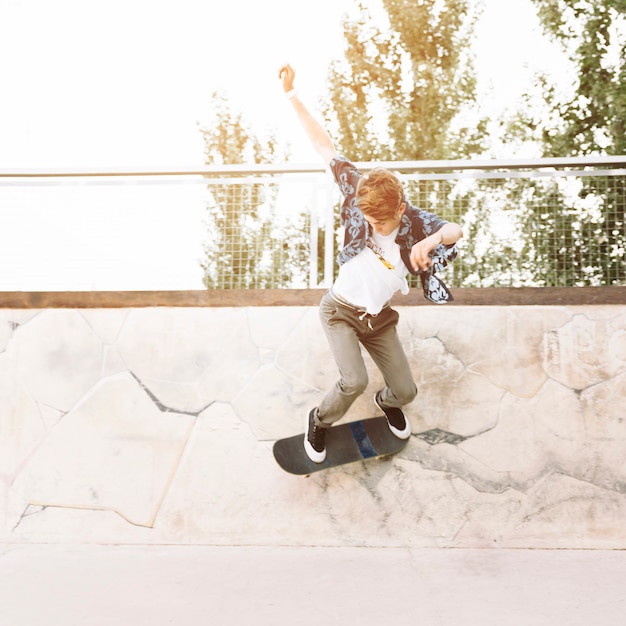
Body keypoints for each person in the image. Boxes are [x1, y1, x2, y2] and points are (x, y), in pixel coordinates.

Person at [279, 64, 463, 463]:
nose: (372, 225)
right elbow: (324, 145)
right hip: (340, 311)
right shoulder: (358, 193)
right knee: (353, 381)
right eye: (367, 218)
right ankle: (320, 420)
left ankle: (388, 402)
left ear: (399, 207)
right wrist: (292, 94)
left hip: (379, 319)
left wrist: (430, 240)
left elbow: (455, 230)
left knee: (406, 392)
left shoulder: (415, 222)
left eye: (380, 220)